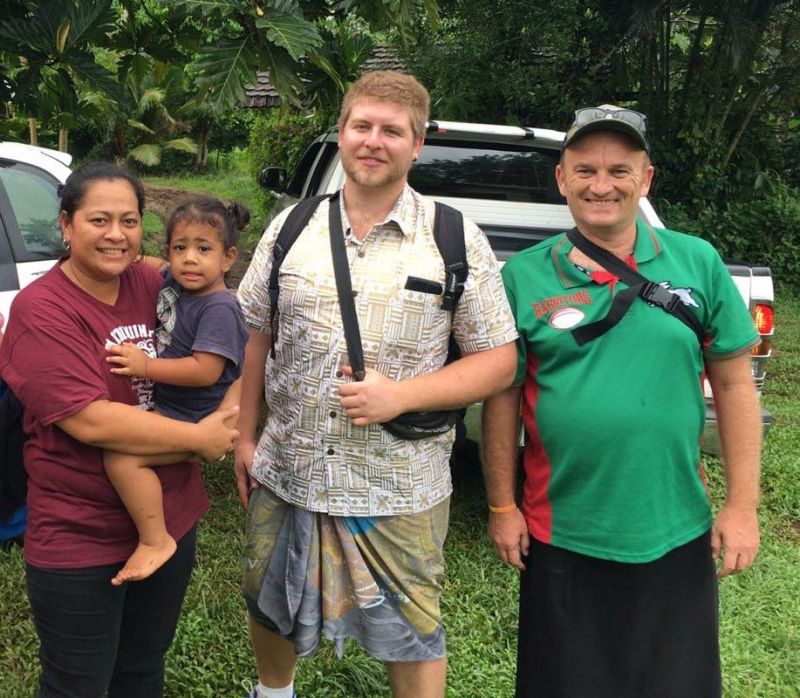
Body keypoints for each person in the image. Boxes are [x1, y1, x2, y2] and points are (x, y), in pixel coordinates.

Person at [235, 70, 518, 698]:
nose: (373, 141)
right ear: (341, 133)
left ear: (417, 145)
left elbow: (498, 362)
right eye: (361, 126)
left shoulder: (453, 238)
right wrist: (244, 434)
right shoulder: (290, 228)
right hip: (291, 467)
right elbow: (256, 330)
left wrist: (402, 395)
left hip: (399, 481)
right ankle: (274, 692)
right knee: (267, 596)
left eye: (392, 131)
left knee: (413, 626)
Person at [482, 105, 762, 698]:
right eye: (584, 170)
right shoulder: (526, 276)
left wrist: (742, 506)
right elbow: (503, 398)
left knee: (674, 684)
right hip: (562, 530)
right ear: (561, 179)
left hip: (674, 525)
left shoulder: (697, 262)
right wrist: (502, 506)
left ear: (646, 178)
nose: (601, 185)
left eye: (618, 169)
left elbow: (736, 385)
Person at [0, 162, 239, 697]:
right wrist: (201, 438)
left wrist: (233, 406)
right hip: (80, 533)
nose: (115, 235)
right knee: (76, 684)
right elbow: (90, 419)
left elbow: (225, 307)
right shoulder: (41, 311)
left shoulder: (152, 280)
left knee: (142, 669)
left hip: (171, 516)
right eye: (99, 219)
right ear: (66, 224)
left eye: (128, 221)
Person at [103, 195, 249, 585]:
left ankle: (155, 539)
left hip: (194, 414)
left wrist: (145, 366)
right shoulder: (179, 284)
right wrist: (131, 255)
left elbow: (205, 371)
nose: (190, 259)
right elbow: (154, 265)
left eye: (204, 249)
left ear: (228, 258)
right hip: (174, 406)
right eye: (180, 248)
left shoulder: (217, 307)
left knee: (121, 457)